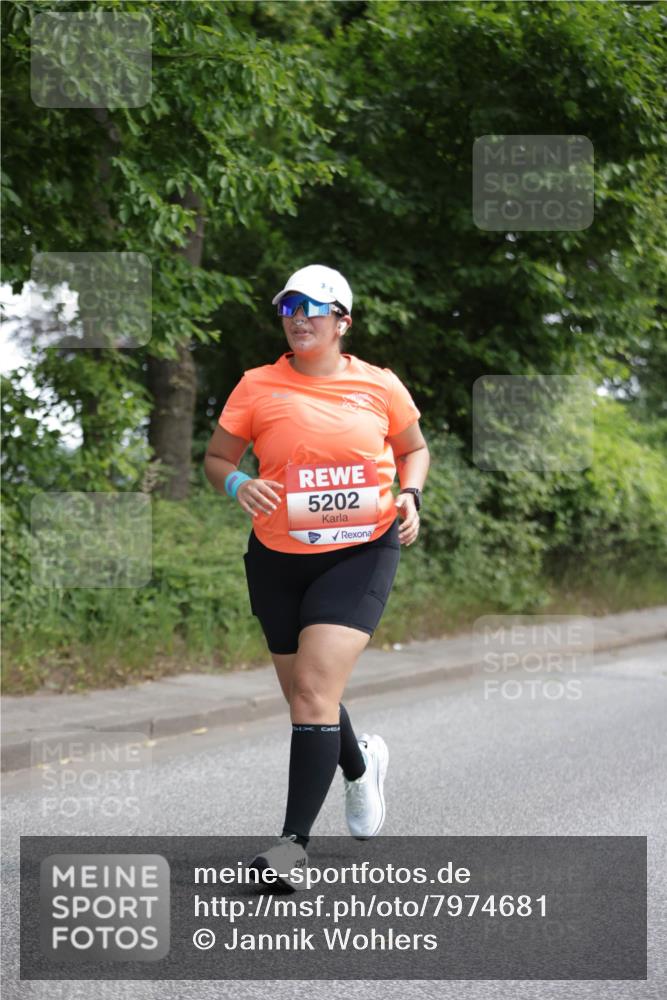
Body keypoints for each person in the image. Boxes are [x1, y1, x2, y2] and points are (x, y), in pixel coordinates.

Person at [204, 264, 430, 890]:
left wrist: (410, 496)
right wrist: (237, 482)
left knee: (310, 691)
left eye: (312, 307)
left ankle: (291, 848)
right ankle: (360, 769)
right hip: (278, 557)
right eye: (288, 308)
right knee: (308, 693)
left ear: (342, 321)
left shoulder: (380, 386)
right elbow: (217, 457)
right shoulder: (256, 385)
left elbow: (414, 448)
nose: (299, 318)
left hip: (362, 548)